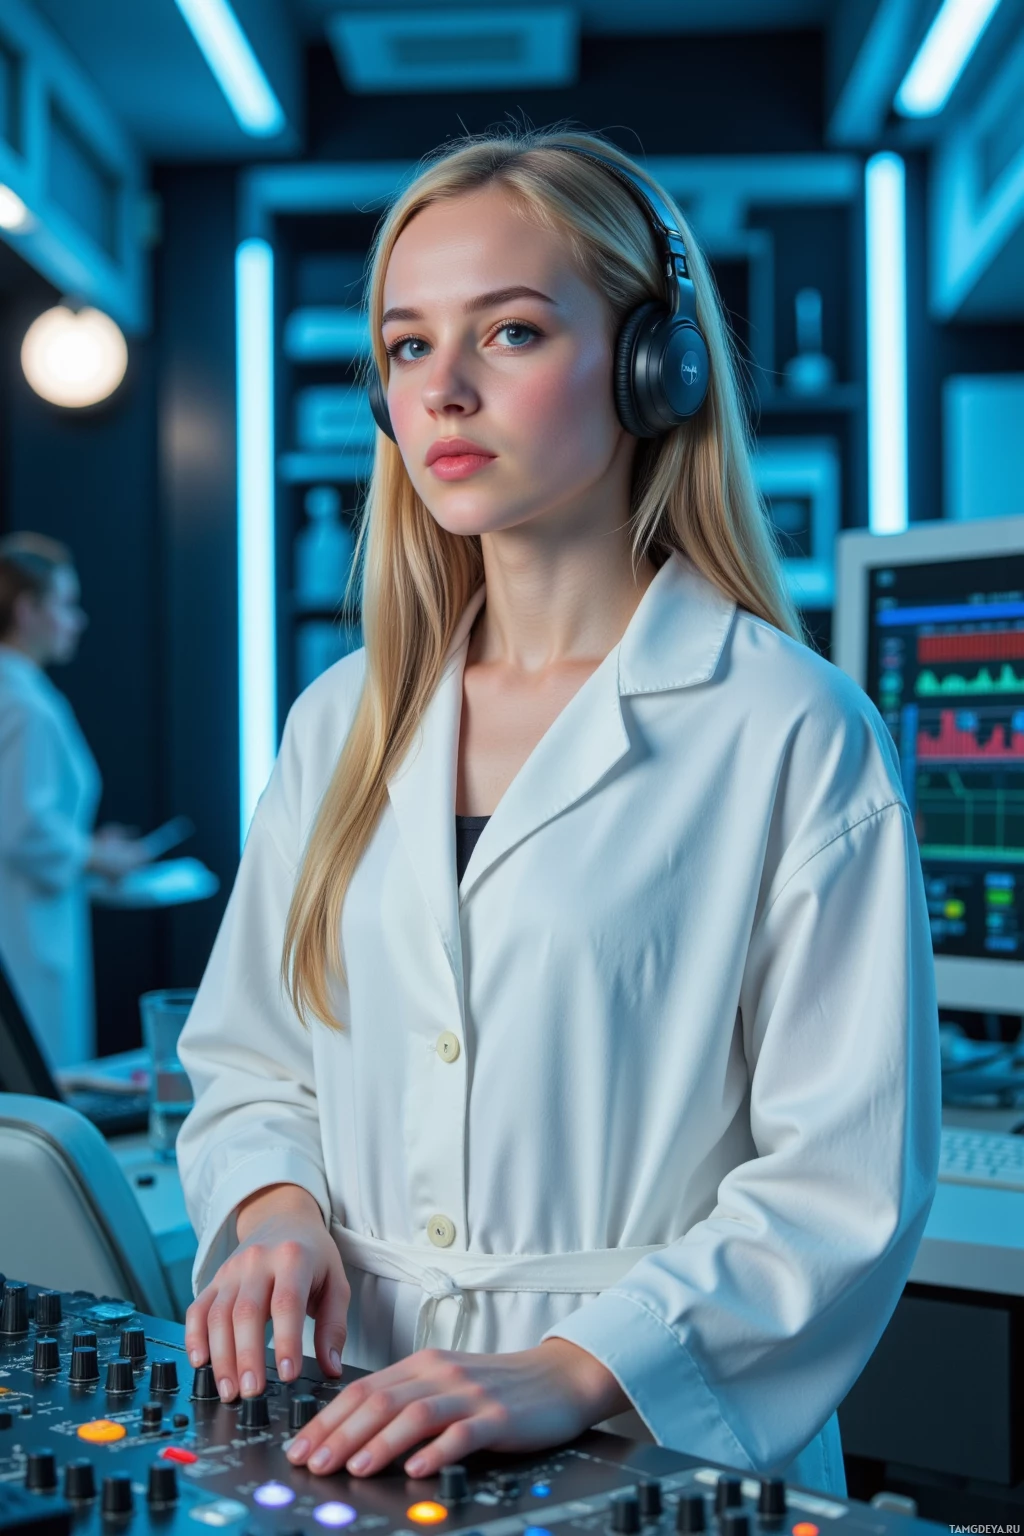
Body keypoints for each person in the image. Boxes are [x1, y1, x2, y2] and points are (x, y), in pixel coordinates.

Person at [176, 128, 941, 1498]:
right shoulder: (340, 723)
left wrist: (583, 1366)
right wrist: (273, 1206)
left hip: (653, 1442)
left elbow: (844, 1181)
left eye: (511, 332)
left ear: (657, 367)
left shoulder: (787, 727)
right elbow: (254, 1059)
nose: (444, 392)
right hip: (353, 1424)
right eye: (408, 347)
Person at [0, 533, 150, 1068]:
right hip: (25, 931)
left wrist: (85, 844)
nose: (78, 620)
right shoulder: (25, 708)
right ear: (27, 609)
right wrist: (97, 856)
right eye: (65, 604)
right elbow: (23, 831)